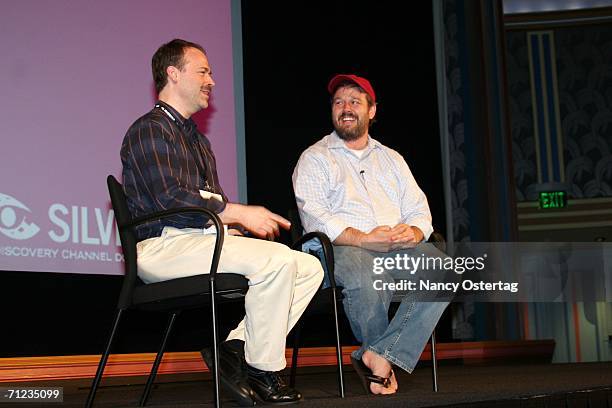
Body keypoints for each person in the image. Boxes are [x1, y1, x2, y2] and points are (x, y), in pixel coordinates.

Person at [121, 39, 323, 406]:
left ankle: (235, 348)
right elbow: (172, 199)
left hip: (198, 240)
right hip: (162, 247)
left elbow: (210, 204)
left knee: (309, 267)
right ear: (173, 73)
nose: (212, 80)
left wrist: (229, 220)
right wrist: (238, 212)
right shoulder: (149, 130)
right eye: (203, 71)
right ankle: (263, 371)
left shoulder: (198, 141)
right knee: (277, 261)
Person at [292, 74, 449, 395]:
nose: (345, 108)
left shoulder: (392, 159)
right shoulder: (315, 158)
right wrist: (363, 239)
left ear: (372, 110)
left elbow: (420, 209)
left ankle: (379, 354)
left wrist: (415, 230)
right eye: (338, 102)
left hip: (397, 246)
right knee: (368, 276)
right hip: (342, 248)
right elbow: (314, 217)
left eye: (354, 101)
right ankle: (381, 361)